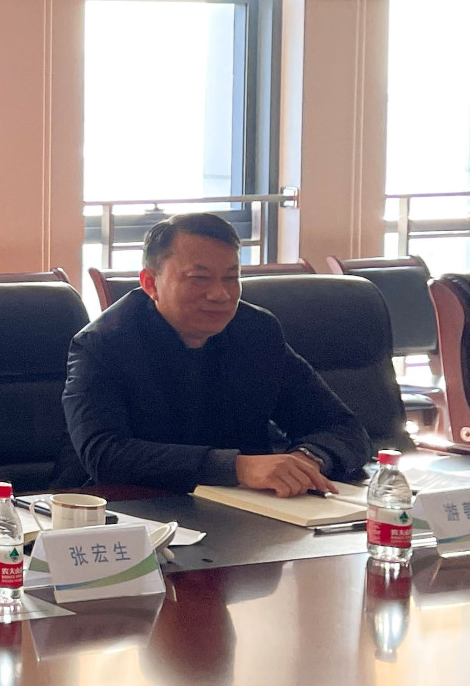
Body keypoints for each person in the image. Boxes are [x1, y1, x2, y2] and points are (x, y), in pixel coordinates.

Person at [63, 212, 370, 495]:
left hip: (251, 509)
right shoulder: (103, 344)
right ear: (150, 283)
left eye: (231, 277)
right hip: (136, 509)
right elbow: (104, 454)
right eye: (199, 278)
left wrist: (306, 460)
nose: (220, 294)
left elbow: (342, 426)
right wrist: (236, 467)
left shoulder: (256, 331)